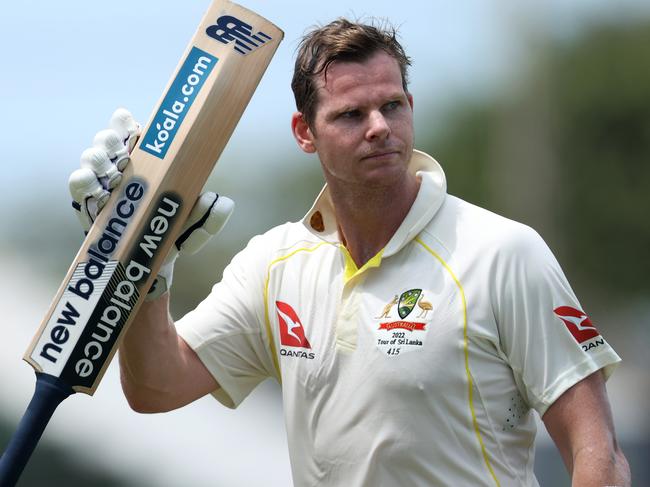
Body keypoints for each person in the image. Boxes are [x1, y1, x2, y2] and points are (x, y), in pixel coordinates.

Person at [70, 18, 630, 487]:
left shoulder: (503, 252)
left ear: (411, 105)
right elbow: (155, 387)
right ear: (304, 132)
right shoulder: (275, 264)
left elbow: (597, 450)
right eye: (350, 115)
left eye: (392, 106)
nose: (380, 128)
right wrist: (147, 265)